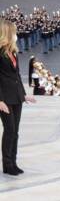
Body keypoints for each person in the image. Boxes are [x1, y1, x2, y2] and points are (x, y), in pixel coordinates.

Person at [0, 19, 36, 175]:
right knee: (9, 129)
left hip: (16, 97)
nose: (16, 35)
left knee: (16, 131)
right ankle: (7, 165)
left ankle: (14, 162)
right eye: (13, 32)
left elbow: (17, 76)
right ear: (7, 33)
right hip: (5, 98)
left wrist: (24, 95)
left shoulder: (13, 51)